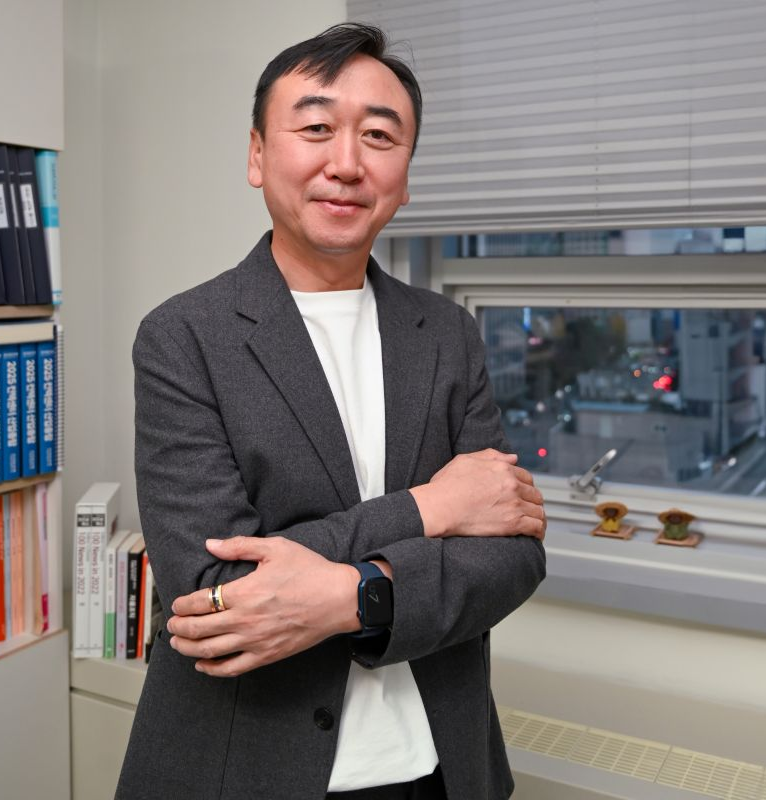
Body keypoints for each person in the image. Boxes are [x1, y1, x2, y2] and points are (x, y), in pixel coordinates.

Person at [117, 23, 546, 800]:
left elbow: (512, 554)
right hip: (244, 771)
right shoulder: (184, 337)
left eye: (379, 136)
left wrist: (355, 596)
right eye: (315, 128)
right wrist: (433, 508)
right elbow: (214, 589)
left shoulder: (447, 333)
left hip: (438, 766)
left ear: (406, 175)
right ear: (257, 155)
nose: (346, 163)